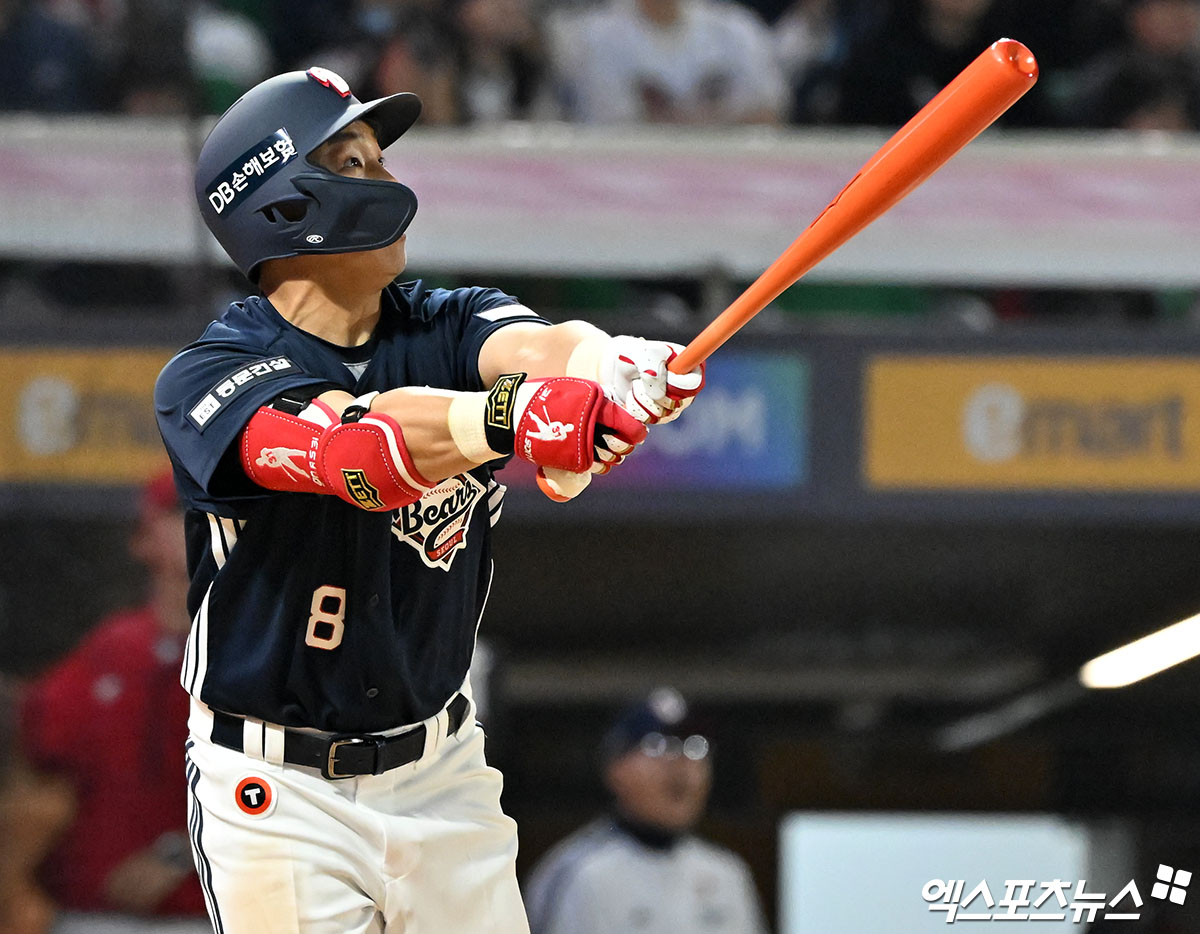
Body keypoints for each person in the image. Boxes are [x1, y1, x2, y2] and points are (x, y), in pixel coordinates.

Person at [152, 65, 705, 932]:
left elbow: (539, 349)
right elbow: (360, 454)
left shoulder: (445, 320)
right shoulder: (210, 374)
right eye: (353, 161)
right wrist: (515, 418)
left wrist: (613, 366)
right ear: (281, 203)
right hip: (280, 794)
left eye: (379, 158)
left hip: (442, 773)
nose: (385, 179)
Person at [8, 471, 209, 933]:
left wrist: (183, 850)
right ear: (142, 539)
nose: (197, 525)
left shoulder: (261, 656)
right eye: (179, 512)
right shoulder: (109, 652)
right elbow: (40, 781)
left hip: (214, 915)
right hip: (92, 916)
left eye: (212, 513)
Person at [523, 687, 769, 934]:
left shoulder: (728, 875)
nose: (681, 765)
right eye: (659, 746)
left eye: (695, 746)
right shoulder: (578, 874)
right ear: (615, 768)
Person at [548, 0, 787, 124]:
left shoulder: (736, 28)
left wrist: (683, 121)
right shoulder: (595, 36)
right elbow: (613, 128)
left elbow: (770, 114)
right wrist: (714, 120)